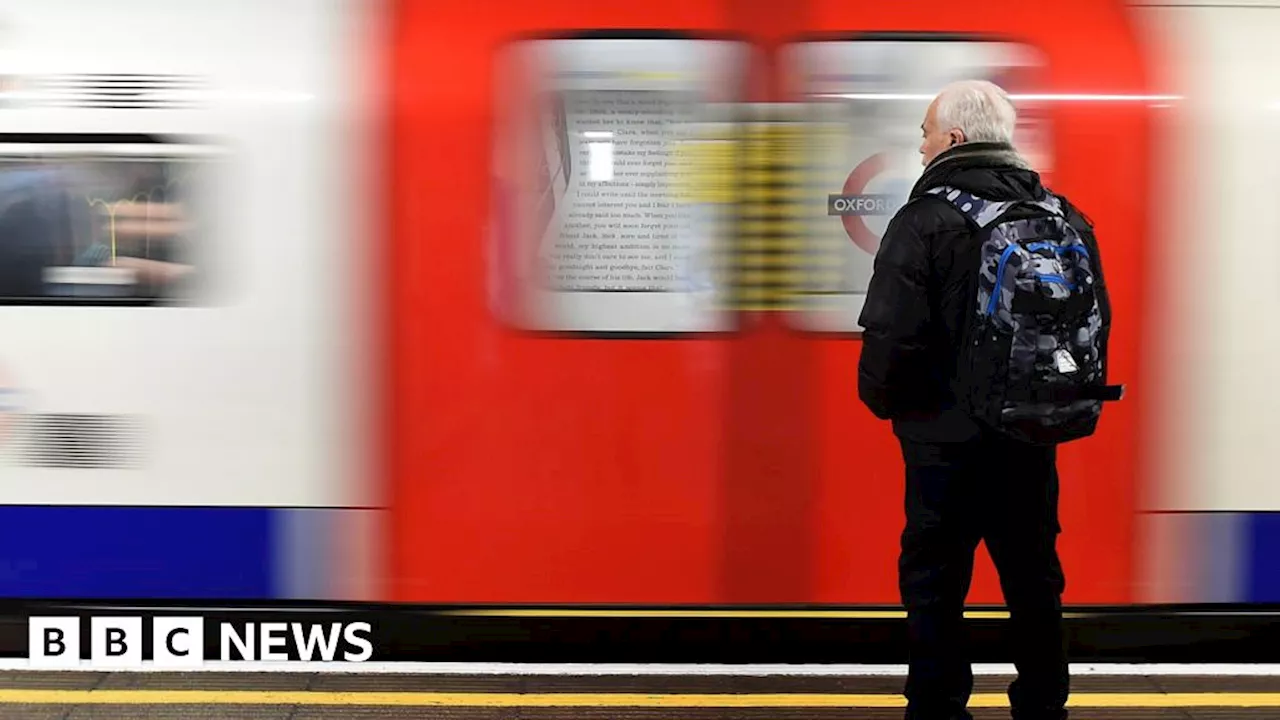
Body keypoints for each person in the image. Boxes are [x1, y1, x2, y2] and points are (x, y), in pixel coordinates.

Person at [857, 79, 1110, 720]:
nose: (919, 147)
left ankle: (940, 702)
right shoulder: (1063, 214)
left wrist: (888, 403)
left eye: (925, 132)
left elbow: (893, 333)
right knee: (1033, 573)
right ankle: (1044, 697)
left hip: (943, 440)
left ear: (955, 139)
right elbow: (1094, 319)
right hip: (1030, 433)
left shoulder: (925, 220)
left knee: (936, 580)